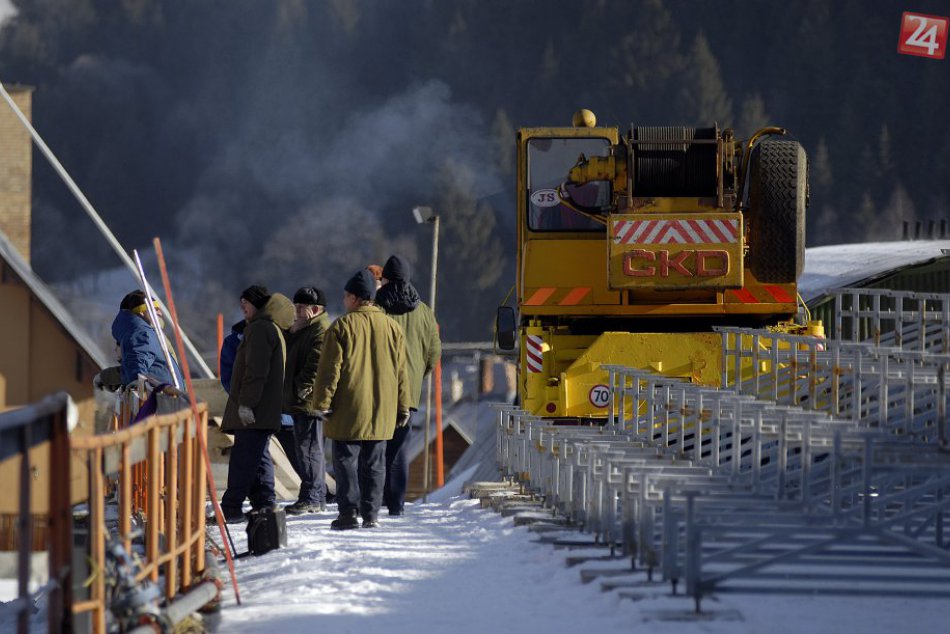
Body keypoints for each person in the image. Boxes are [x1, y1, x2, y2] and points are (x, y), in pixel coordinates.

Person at [313, 270, 411, 530]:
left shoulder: (341, 326)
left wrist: (322, 402)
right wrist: (403, 406)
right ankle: (371, 514)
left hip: (348, 408)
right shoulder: (392, 327)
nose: (344, 300)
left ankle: (348, 513)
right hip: (382, 409)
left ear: (355, 298)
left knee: (345, 461)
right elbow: (402, 372)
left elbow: (329, 370)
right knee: (375, 464)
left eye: (346, 296)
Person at [219, 285, 295, 523]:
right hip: (264, 410)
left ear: (260, 304)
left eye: (247, 302)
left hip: (255, 411)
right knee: (258, 458)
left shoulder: (259, 329)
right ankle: (264, 502)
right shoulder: (271, 328)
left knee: (243, 460)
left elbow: (256, 371)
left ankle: (231, 507)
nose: (242, 306)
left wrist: (246, 404)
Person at [376, 255, 441, 516]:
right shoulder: (423, 310)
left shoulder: (376, 308)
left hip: (378, 389)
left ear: (385, 279)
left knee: (375, 446)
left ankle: (374, 500)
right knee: (399, 449)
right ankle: (396, 505)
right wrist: (417, 377)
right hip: (409, 393)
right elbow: (434, 353)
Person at [220, 319, 302, 478]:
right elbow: (229, 379)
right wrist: (246, 402)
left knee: (301, 458)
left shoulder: (284, 336)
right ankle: (266, 493)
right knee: (260, 462)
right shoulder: (234, 341)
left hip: (283, 412)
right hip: (256, 414)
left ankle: (316, 489)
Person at [282, 286, 331, 515]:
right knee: (308, 449)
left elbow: (317, 362)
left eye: (302, 307)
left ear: (316, 309)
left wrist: (303, 385)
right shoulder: (304, 328)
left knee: (308, 449)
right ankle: (315, 495)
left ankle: (312, 497)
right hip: (301, 399)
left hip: (308, 400)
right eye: (297, 306)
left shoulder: (320, 330)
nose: (298, 311)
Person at [111, 290, 185, 388]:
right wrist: (137, 381)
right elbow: (137, 366)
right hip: (161, 395)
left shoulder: (147, 332)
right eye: (156, 309)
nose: (160, 313)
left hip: (163, 393)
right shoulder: (142, 333)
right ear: (142, 312)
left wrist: (109, 377)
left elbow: (150, 367)